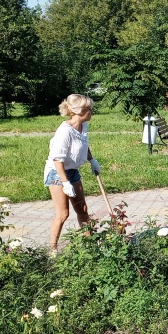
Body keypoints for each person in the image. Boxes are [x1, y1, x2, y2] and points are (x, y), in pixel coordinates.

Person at [43, 94, 101, 252]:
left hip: (72, 171)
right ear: (80, 111)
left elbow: (84, 144)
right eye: (89, 109)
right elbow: (57, 159)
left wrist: (92, 160)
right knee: (63, 213)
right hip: (57, 173)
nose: (92, 112)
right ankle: (52, 250)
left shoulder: (83, 126)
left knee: (82, 210)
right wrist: (65, 182)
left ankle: (91, 246)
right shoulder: (64, 132)